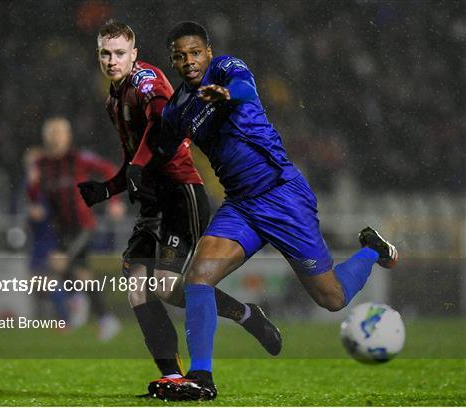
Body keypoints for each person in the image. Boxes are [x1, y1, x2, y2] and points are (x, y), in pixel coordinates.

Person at [149, 21, 399, 401]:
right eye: (180, 57)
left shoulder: (228, 69)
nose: (189, 61)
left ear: (208, 52)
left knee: (331, 298)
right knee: (198, 278)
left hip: (282, 195)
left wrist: (226, 95)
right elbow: (162, 151)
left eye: (195, 52)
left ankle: (372, 251)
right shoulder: (177, 109)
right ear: (173, 62)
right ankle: (201, 377)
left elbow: (246, 90)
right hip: (241, 206)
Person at [77, 20, 282, 388]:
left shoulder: (147, 82)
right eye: (106, 54)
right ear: (99, 56)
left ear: (133, 54)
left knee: (168, 287)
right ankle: (172, 376)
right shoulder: (114, 97)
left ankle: (245, 314)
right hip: (152, 202)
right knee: (137, 286)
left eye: (120, 53)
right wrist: (108, 189)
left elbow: (159, 129)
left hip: (180, 193)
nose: (112, 60)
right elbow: (136, 160)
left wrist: (137, 166)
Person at [26, 117, 125, 340]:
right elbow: (34, 194)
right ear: (46, 137)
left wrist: (114, 201)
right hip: (60, 226)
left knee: (57, 263)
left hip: (82, 225)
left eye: (60, 132)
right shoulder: (41, 164)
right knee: (81, 273)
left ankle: (78, 301)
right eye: (52, 132)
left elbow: (108, 169)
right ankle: (105, 318)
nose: (55, 137)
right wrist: (33, 193)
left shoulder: (78, 159)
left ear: (68, 137)